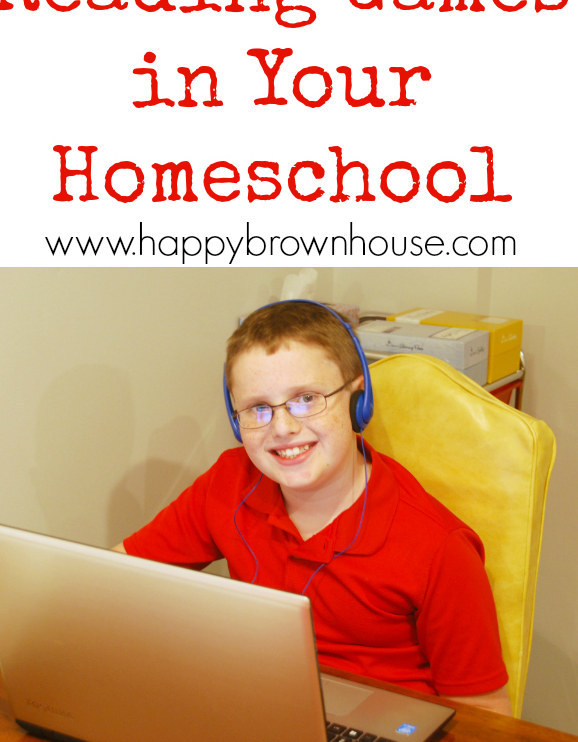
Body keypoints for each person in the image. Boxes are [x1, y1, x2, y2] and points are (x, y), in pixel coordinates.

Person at [114, 300, 512, 715]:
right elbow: (115, 581)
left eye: (306, 398)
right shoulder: (230, 483)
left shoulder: (438, 548)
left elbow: (486, 718)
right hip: (261, 707)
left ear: (359, 398)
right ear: (236, 422)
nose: (283, 427)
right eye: (258, 409)